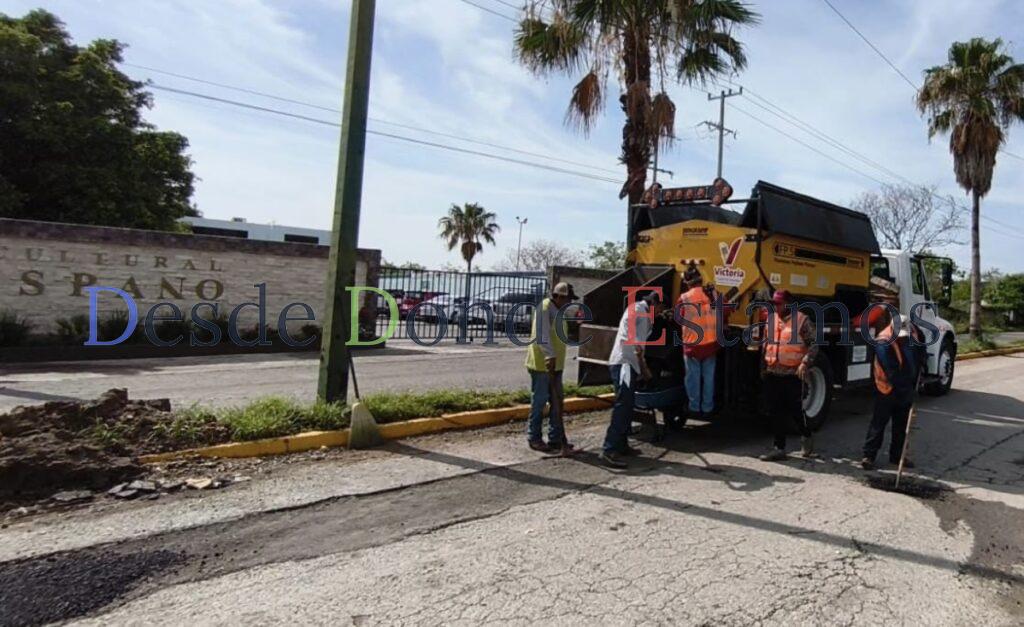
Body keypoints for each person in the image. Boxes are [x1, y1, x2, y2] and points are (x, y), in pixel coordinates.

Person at [602, 290, 665, 468]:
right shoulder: (639, 312)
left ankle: (621, 444)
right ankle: (609, 449)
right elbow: (636, 345)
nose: (660, 313)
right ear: (654, 304)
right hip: (625, 364)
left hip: (627, 364)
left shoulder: (640, 312)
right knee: (623, 406)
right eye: (660, 309)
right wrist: (645, 370)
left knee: (627, 406)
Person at [760, 290, 819, 461]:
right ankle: (779, 448)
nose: (775, 307)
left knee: (795, 411)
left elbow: (814, 344)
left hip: (793, 374)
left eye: (778, 304)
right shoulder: (771, 319)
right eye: (773, 304)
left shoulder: (802, 320)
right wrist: (763, 367)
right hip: (773, 372)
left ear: (788, 304)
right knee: (775, 411)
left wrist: (805, 363)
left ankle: (806, 436)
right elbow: (766, 344)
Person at [861, 313, 925, 470]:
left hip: (906, 386)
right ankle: (869, 455)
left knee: (901, 425)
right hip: (887, 388)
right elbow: (892, 371)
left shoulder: (912, 333)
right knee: (879, 423)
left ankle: (897, 456)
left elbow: (920, 347)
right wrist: (907, 390)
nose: (902, 339)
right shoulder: (883, 342)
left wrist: (922, 361)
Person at [524, 282, 578, 455]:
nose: (569, 302)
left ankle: (556, 439)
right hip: (542, 364)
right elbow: (542, 335)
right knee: (540, 402)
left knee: (557, 402)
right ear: (559, 296)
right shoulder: (545, 308)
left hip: (556, 364)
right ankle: (534, 437)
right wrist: (549, 355)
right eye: (568, 299)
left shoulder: (559, 310)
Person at [677, 267, 719, 418]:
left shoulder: (684, 298)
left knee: (693, 378)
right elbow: (725, 310)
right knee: (709, 378)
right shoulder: (712, 295)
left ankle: (694, 407)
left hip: (692, 346)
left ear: (688, 282)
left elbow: (679, 318)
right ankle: (707, 408)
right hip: (710, 345)